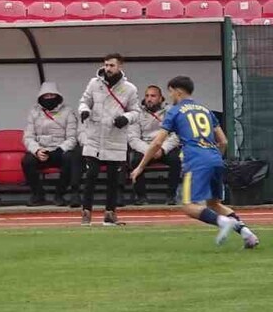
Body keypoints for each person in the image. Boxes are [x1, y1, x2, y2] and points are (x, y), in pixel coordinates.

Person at [129, 76, 259, 248]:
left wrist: (140, 167)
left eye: (171, 92)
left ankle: (223, 222)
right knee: (214, 204)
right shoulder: (205, 110)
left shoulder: (175, 111)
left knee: (189, 206)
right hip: (215, 158)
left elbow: (157, 143)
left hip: (196, 160)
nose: (170, 96)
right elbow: (223, 141)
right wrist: (214, 158)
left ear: (177, 91)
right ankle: (248, 234)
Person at [78, 53, 140, 226]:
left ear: (120, 66)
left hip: (115, 136)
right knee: (91, 176)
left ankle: (110, 214)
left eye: (112, 65)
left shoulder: (130, 88)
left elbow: (136, 111)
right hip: (95, 136)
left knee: (113, 179)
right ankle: (86, 212)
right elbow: (84, 101)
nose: (108, 68)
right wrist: (84, 110)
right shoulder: (94, 83)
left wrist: (126, 118)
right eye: (106, 65)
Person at [22, 81, 80, 206]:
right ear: (41, 97)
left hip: (60, 151)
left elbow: (72, 138)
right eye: (46, 96)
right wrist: (37, 150)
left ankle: (59, 195)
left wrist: (60, 150)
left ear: (57, 96)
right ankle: (38, 195)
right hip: (42, 151)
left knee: (70, 158)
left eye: (52, 95)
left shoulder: (68, 112)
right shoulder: (34, 112)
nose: (49, 98)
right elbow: (28, 137)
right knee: (27, 161)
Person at [127, 85, 182, 205]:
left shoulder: (171, 111)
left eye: (153, 96)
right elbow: (133, 138)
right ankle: (141, 197)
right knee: (135, 160)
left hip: (164, 147)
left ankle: (171, 196)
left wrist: (162, 149)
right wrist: (150, 150)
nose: (149, 99)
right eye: (147, 96)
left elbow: (176, 135)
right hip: (145, 147)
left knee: (176, 160)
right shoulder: (137, 113)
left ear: (161, 98)